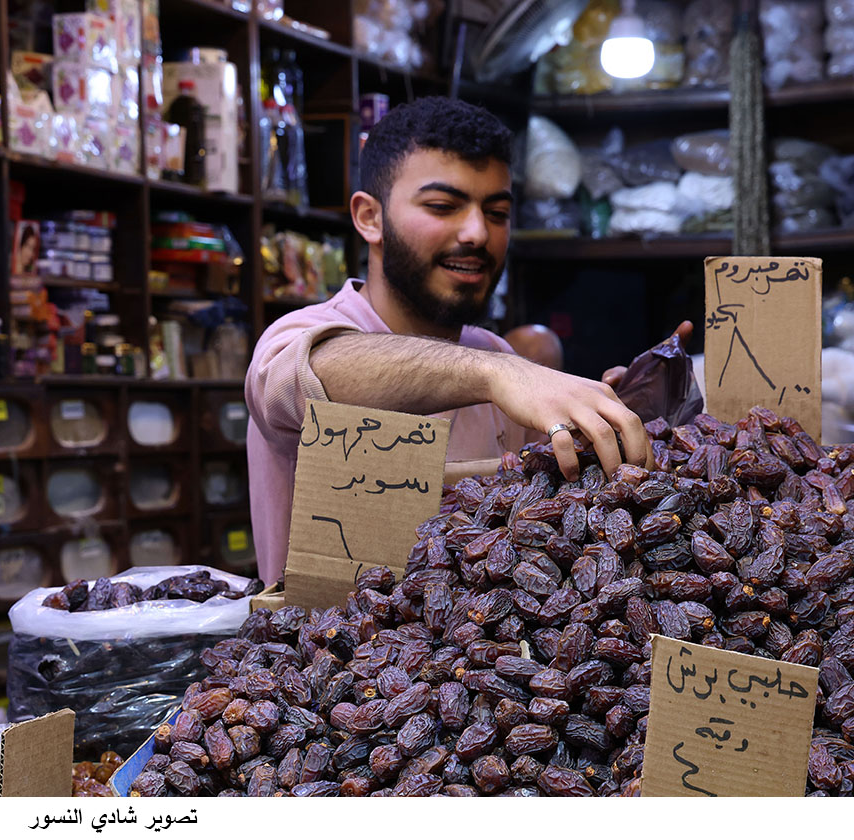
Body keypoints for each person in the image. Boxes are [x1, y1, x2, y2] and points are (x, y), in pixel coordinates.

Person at [246, 96, 689, 583]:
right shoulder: (297, 336)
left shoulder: (497, 356)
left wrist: (614, 419)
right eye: (443, 206)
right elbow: (317, 370)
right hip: (332, 651)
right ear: (369, 218)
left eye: (497, 213)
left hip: (465, 651)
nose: (477, 232)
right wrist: (499, 374)